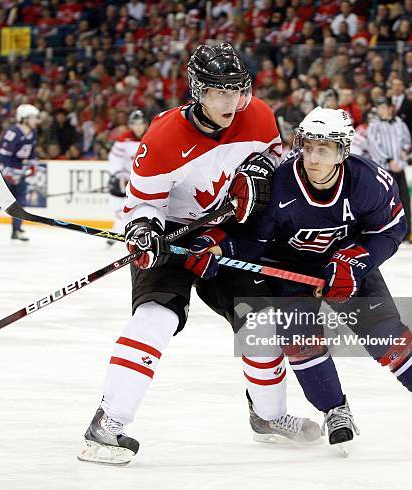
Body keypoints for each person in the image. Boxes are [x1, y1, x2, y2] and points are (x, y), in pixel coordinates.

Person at [79, 43, 320, 466]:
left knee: (259, 322)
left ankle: (269, 416)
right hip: (172, 234)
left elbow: (274, 167)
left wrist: (262, 173)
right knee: (155, 318)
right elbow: (141, 205)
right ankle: (108, 424)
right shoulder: (164, 137)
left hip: (228, 234)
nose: (232, 101)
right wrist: (144, 232)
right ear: (198, 90)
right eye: (219, 92)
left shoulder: (259, 115)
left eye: (237, 90)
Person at [187, 107, 412, 455]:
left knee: (385, 336)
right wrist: (219, 246)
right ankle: (335, 411)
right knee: (300, 339)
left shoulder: (369, 182)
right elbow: (254, 242)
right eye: (308, 147)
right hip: (290, 270)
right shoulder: (280, 184)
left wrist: (359, 261)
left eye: (324, 149)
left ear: (343, 151)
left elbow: (391, 231)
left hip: (347, 263)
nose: (313, 157)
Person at [0, 104, 40, 242]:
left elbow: (32, 152)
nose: (37, 120)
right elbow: (3, 155)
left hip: (20, 173)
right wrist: (7, 172)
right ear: (24, 118)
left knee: (20, 202)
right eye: (34, 117)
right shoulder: (13, 133)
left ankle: (16, 230)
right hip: (7, 173)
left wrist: (33, 165)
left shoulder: (32, 133)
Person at [367, 97, 412, 244]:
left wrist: (405, 151)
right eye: (379, 108)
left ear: (389, 108)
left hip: (399, 168)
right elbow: (374, 145)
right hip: (384, 170)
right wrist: (389, 160)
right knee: (385, 203)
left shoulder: (400, 123)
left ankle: (406, 234)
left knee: (404, 201)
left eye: (383, 107)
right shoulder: (374, 125)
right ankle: (386, 234)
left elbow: (407, 141)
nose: (381, 110)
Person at [106, 109, 148, 246]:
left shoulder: (151, 137)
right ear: (130, 125)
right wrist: (117, 174)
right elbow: (114, 158)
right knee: (119, 208)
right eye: (135, 124)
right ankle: (117, 232)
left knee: (141, 208)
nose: (138, 127)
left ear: (145, 124)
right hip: (125, 179)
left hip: (143, 180)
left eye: (140, 123)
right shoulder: (124, 139)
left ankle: (131, 233)